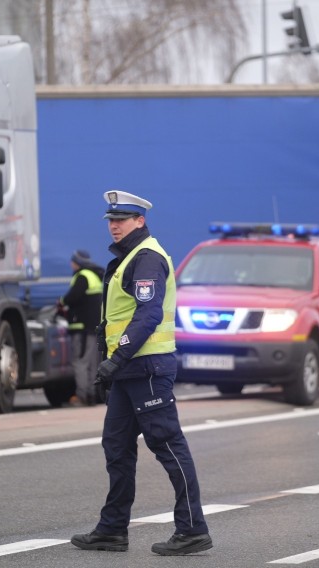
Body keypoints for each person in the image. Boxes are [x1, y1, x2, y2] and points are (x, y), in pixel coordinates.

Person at [70, 190, 212, 556]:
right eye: (111, 220)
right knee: (116, 448)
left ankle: (193, 529)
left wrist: (116, 359)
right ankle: (112, 530)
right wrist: (112, 364)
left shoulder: (146, 258)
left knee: (167, 446)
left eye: (122, 219)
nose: (114, 226)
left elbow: (147, 315)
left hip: (146, 367)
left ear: (140, 221)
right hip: (126, 371)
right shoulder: (125, 258)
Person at [58, 249, 104, 406]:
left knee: (80, 362)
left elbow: (72, 297)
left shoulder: (82, 276)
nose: (71, 264)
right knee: (91, 362)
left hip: (83, 327)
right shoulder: (94, 276)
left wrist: (61, 302)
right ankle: (92, 396)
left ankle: (82, 396)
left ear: (77, 262)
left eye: (73, 261)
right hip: (94, 326)